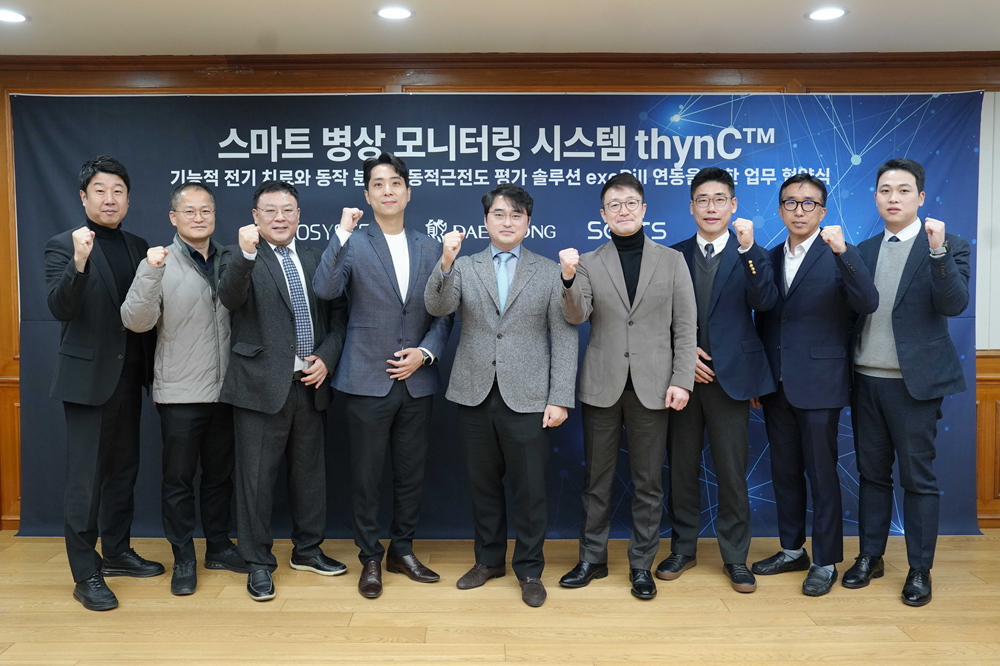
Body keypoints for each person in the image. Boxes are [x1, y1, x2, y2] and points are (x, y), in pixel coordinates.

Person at [424, 184, 577, 607]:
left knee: (530, 490)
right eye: (498, 214)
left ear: (528, 223)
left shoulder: (548, 271)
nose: (507, 222)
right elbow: (437, 307)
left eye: (515, 215)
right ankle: (489, 561)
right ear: (485, 220)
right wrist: (445, 262)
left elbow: (565, 337)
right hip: (474, 391)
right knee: (483, 486)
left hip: (530, 396)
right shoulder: (464, 265)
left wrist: (560, 396)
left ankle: (529, 570)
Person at [313, 152, 453, 599]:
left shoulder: (430, 247)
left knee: (411, 474)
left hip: (417, 380)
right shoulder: (354, 243)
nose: (387, 190)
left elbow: (444, 312)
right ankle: (370, 556)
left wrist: (425, 353)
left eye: (395, 183)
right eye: (378, 184)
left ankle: (402, 550)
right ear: (368, 194)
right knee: (366, 475)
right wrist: (341, 233)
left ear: (408, 192)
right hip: (365, 378)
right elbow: (326, 289)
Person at [558, 173, 697, 600]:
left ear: (644, 209)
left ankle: (641, 565)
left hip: (654, 387)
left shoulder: (672, 260)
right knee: (596, 481)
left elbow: (685, 326)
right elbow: (576, 316)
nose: (623, 211)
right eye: (614, 205)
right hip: (603, 384)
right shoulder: (586, 261)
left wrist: (682, 380)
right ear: (603, 214)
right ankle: (592, 559)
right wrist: (567, 278)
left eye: (631, 203)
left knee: (648, 483)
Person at [844, 158, 970, 606]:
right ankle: (870, 556)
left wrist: (937, 253)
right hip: (865, 381)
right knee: (872, 475)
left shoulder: (949, 246)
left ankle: (919, 569)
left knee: (918, 479)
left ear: (920, 197)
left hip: (914, 386)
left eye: (902, 190)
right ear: (876, 197)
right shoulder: (863, 249)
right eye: (885, 190)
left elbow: (954, 304)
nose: (893, 198)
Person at [218, 180, 348, 602]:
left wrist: (327, 356)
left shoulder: (315, 257)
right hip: (259, 386)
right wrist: (246, 254)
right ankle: (257, 562)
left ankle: (308, 550)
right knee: (255, 482)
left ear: (298, 215)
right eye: (270, 210)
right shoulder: (238, 256)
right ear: (255, 216)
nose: (279, 217)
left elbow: (338, 315)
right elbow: (230, 297)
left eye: (287, 209)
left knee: (310, 476)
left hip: (310, 384)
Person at [751, 173, 878, 597]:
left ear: (822, 211)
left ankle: (825, 560)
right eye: (790, 202)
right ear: (780, 209)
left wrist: (844, 253)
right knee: (784, 472)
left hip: (821, 384)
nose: (799, 210)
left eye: (809, 203)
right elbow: (764, 319)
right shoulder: (768, 257)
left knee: (822, 475)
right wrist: (760, 378)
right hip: (776, 385)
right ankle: (792, 550)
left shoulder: (837, 253)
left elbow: (868, 302)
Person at [44, 155, 161, 611]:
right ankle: (85, 573)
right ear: (83, 196)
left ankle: (116, 552)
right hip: (87, 381)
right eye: (100, 190)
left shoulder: (138, 245)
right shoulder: (63, 244)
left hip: (130, 378)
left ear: (128, 198)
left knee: (123, 471)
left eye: (118, 191)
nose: (109, 199)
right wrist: (79, 261)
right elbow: (60, 307)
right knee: (86, 481)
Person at [120, 182, 246, 596]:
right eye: (189, 211)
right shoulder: (159, 260)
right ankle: (184, 558)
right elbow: (136, 321)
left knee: (220, 478)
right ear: (173, 217)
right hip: (179, 392)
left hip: (225, 391)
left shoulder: (231, 258)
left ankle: (219, 547)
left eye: (205, 210)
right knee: (178, 481)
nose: (198, 217)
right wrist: (150, 270)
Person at [662, 167, 778, 593]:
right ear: (691, 207)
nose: (711, 208)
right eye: (703, 200)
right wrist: (681, 355)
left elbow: (765, 302)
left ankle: (735, 557)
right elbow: (656, 317)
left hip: (733, 381)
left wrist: (748, 250)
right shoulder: (672, 256)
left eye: (719, 200)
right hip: (683, 380)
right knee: (682, 469)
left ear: (733, 205)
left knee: (731, 472)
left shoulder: (753, 253)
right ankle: (683, 548)